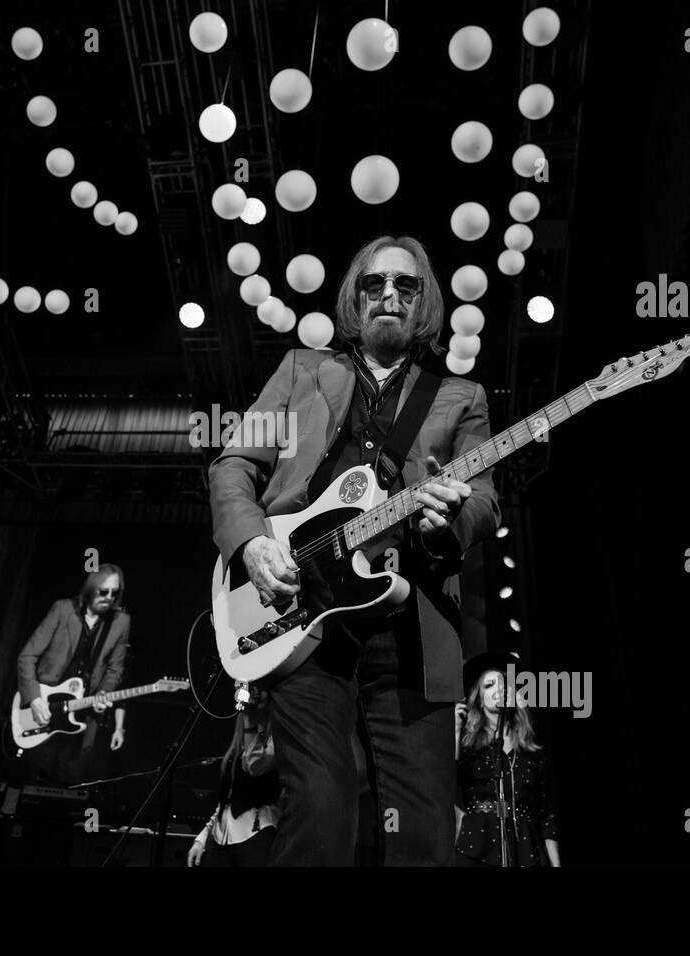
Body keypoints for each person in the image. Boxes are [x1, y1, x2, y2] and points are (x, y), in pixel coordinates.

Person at [208, 235, 500, 866]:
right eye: (374, 284)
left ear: (424, 301)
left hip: (413, 626)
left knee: (424, 831)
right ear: (354, 299)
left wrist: (445, 521)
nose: (389, 294)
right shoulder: (301, 370)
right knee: (319, 808)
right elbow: (233, 465)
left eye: (406, 284)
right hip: (304, 618)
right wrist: (253, 542)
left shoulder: (461, 396)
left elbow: (484, 501)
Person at [15, 565, 130, 784]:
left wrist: (104, 693)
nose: (109, 597)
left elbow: (116, 668)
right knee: (34, 781)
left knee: (70, 785)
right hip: (46, 709)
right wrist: (34, 699)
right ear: (90, 588)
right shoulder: (62, 610)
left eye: (115, 593)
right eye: (103, 591)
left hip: (82, 716)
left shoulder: (120, 622)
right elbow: (27, 656)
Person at [454, 652, 561, 867]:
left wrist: (556, 864)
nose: (499, 688)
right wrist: (457, 732)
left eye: (504, 683)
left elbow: (546, 816)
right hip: (477, 849)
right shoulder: (468, 748)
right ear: (479, 699)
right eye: (489, 685)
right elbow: (448, 786)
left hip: (525, 850)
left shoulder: (532, 754)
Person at [188, 691, 279, 867]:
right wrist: (201, 839)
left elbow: (255, 765)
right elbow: (225, 804)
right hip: (220, 839)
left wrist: (250, 720)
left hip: (257, 834)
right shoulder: (233, 754)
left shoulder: (275, 745)